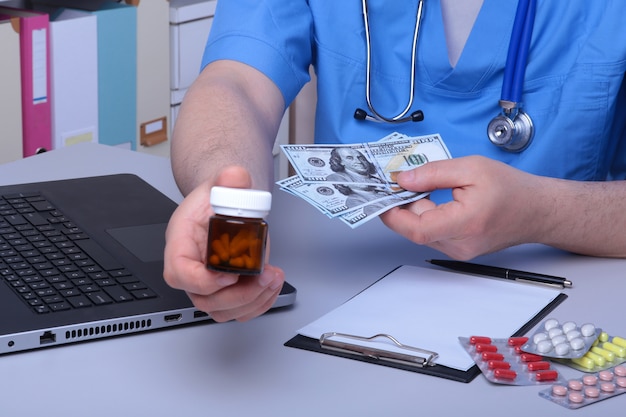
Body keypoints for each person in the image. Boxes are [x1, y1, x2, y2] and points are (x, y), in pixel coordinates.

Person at [163, 0, 626, 322]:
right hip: (335, 291)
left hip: (561, 302)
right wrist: (223, 194)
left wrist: (542, 212)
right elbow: (236, 79)